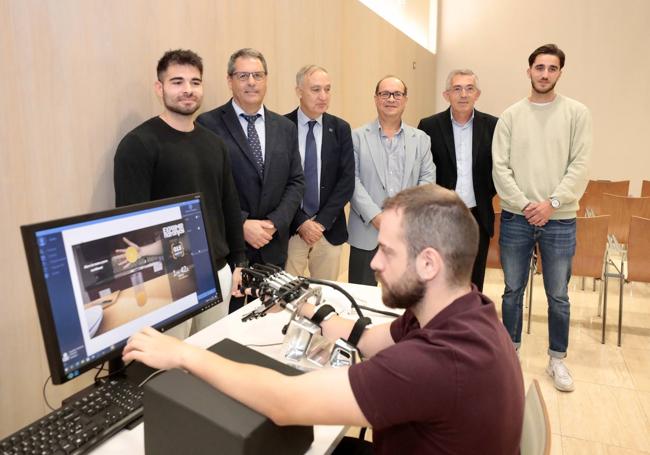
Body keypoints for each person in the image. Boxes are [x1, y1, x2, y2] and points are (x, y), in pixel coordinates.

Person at [123, 184, 524, 455]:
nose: (374, 262)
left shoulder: (434, 363)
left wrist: (183, 355)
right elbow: (368, 338)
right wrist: (312, 311)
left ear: (429, 262)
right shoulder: (464, 310)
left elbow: (284, 402)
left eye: (386, 251)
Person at [113, 49, 246, 336]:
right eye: (177, 82)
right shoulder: (138, 145)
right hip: (169, 280)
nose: (188, 90)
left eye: (195, 82)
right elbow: (130, 226)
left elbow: (228, 206)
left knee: (210, 358)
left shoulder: (215, 144)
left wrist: (239, 263)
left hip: (218, 272)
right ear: (159, 88)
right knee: (170, 372)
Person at [492, 44, 592, 392]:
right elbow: (500, 168)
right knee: (511, 291)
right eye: (539, 67)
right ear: (529, 70)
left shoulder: (577, 113)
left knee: (558, 295)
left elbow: (579, 166)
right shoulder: (510, 116)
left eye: (552, 68)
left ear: (560, 72)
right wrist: (525, 204)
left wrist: (551, 203)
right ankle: (509, 356)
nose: (545, 74)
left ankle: (557, 359)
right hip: (516, 217)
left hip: (560, 218)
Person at [196, 48, 304, 274]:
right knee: (235, 310)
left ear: (266, 79)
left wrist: (274, 223)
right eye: (243, 76)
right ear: (229, 80)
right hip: (230, 247)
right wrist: (241, 224)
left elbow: (296, 182)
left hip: (273, 244)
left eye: (258, 75)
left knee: (272, 308)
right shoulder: (208, 125)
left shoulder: (285, 128)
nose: (251, 82)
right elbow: (208, 189)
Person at [348, 76, 435, 286]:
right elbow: (352, 181)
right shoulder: (357, 137)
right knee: (361, 301)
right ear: (376, 99)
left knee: (403, 299)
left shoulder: (421, 139)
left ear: (405, 100)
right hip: (366, 231)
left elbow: (427, 180)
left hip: (407, 233)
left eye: (397, 94)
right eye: (385, 93)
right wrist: (376, 217)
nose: (391, 99)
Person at [418, 69, 498, 291]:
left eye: (469, 88)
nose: (463, 94)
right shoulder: (429, 126)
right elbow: (424, 170)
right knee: (440, 281)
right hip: (441, 215)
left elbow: (498, 170)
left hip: (478, 216)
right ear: (447, 95)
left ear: (477, 94)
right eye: (457, 89)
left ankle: (469, 324)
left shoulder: (493, 126)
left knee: (473, 283)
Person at [284, 65, 354, 280]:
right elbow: (277, 182)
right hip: (292, 228)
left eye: (327, 89)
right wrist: (302, 222)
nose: (323, 96)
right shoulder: (282, 126)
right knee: (285, 295)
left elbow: (346, 180)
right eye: (316, 89)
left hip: (328, 228)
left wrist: (320, 222)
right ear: (299, 91)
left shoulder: (340, 128)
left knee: (326, 295)